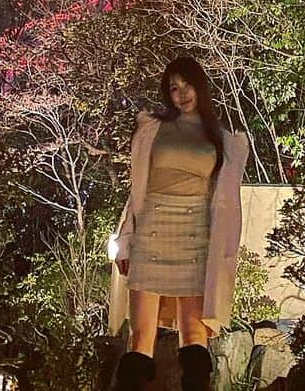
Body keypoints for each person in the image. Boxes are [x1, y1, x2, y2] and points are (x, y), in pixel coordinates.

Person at [109, 56, 249, 391]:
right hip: (152, 229)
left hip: (196, 235)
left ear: (200, 87)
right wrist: (126, 239)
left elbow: (228, 202)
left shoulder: (223, 140)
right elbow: (136, 190)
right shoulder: (151, 128)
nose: (181, 94)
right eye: (174, 88)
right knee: (141, 335)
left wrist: (227, 252)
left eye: (187, 85)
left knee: (194, 333)